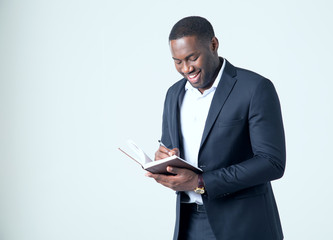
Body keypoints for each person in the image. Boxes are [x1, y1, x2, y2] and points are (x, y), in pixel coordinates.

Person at [145, 16, 286, 240]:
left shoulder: (255, 88)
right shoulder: (174, 94)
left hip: (244, 226)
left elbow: (272, 163)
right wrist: (164, 160)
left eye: (192, 58)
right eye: (177, 61)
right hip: (189, 224)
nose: (186, 68)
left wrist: (201, 182)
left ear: (213, 44)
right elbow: (170, 147)